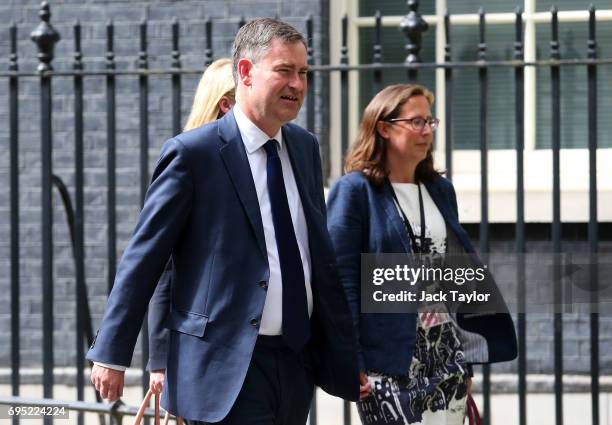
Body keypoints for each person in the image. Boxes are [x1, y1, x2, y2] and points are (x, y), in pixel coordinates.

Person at [87, 18, 360, 424]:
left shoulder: (304, 147)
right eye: (284, 70)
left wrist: (344, 351)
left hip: (296, 360)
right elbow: (145, 259)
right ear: (246, 72)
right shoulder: (193, 154)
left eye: (303, 72)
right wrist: (112, 351)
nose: (298, 84)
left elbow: (316, 257)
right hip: (226, 365)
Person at [326, 84, 517, 425]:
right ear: (383, 127)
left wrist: (465, 359)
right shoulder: (355, 191)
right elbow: (341, 285)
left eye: (430, 121)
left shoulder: (440, 191)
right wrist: (350, 358)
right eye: (416, 122)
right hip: (388, 359)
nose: (427, 131)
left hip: (445, 354)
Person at [147, 57, 236, 396]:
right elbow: (161, 270)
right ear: (225, 105)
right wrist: (159, 361)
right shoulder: (188, 161)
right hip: (202, 351)